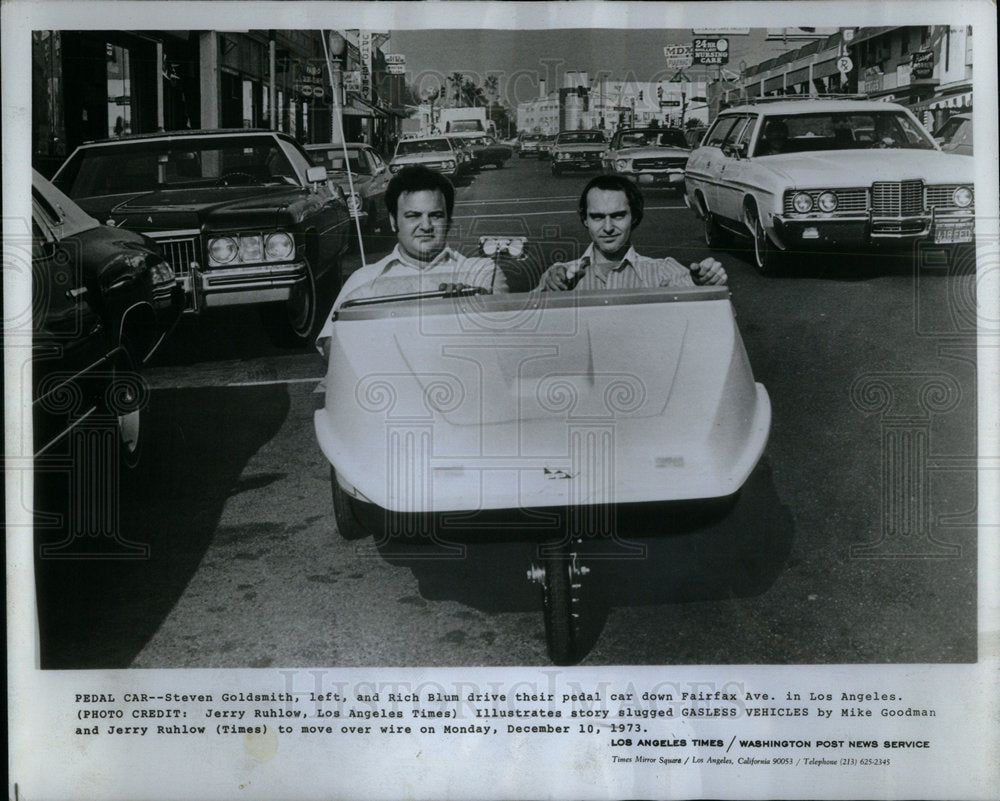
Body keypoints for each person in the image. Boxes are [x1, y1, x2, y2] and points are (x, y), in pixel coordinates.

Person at [315, 166, 507, 351]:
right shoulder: (364, 279)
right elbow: (332, 349)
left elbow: (503, 339)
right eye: (413, 216)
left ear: (448, 221)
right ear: (393, 221)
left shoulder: (481, 273)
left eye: (436, 216)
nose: (426, 225)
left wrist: (473, 308)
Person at [538, 174, 727, 292]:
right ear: (585, 220)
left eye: (618, 216)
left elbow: (703, 310)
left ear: (634, 217)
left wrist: (708, 283)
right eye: (597, 217)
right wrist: (548, 289)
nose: (608, 227)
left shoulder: (664, 271)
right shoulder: (559, 275)